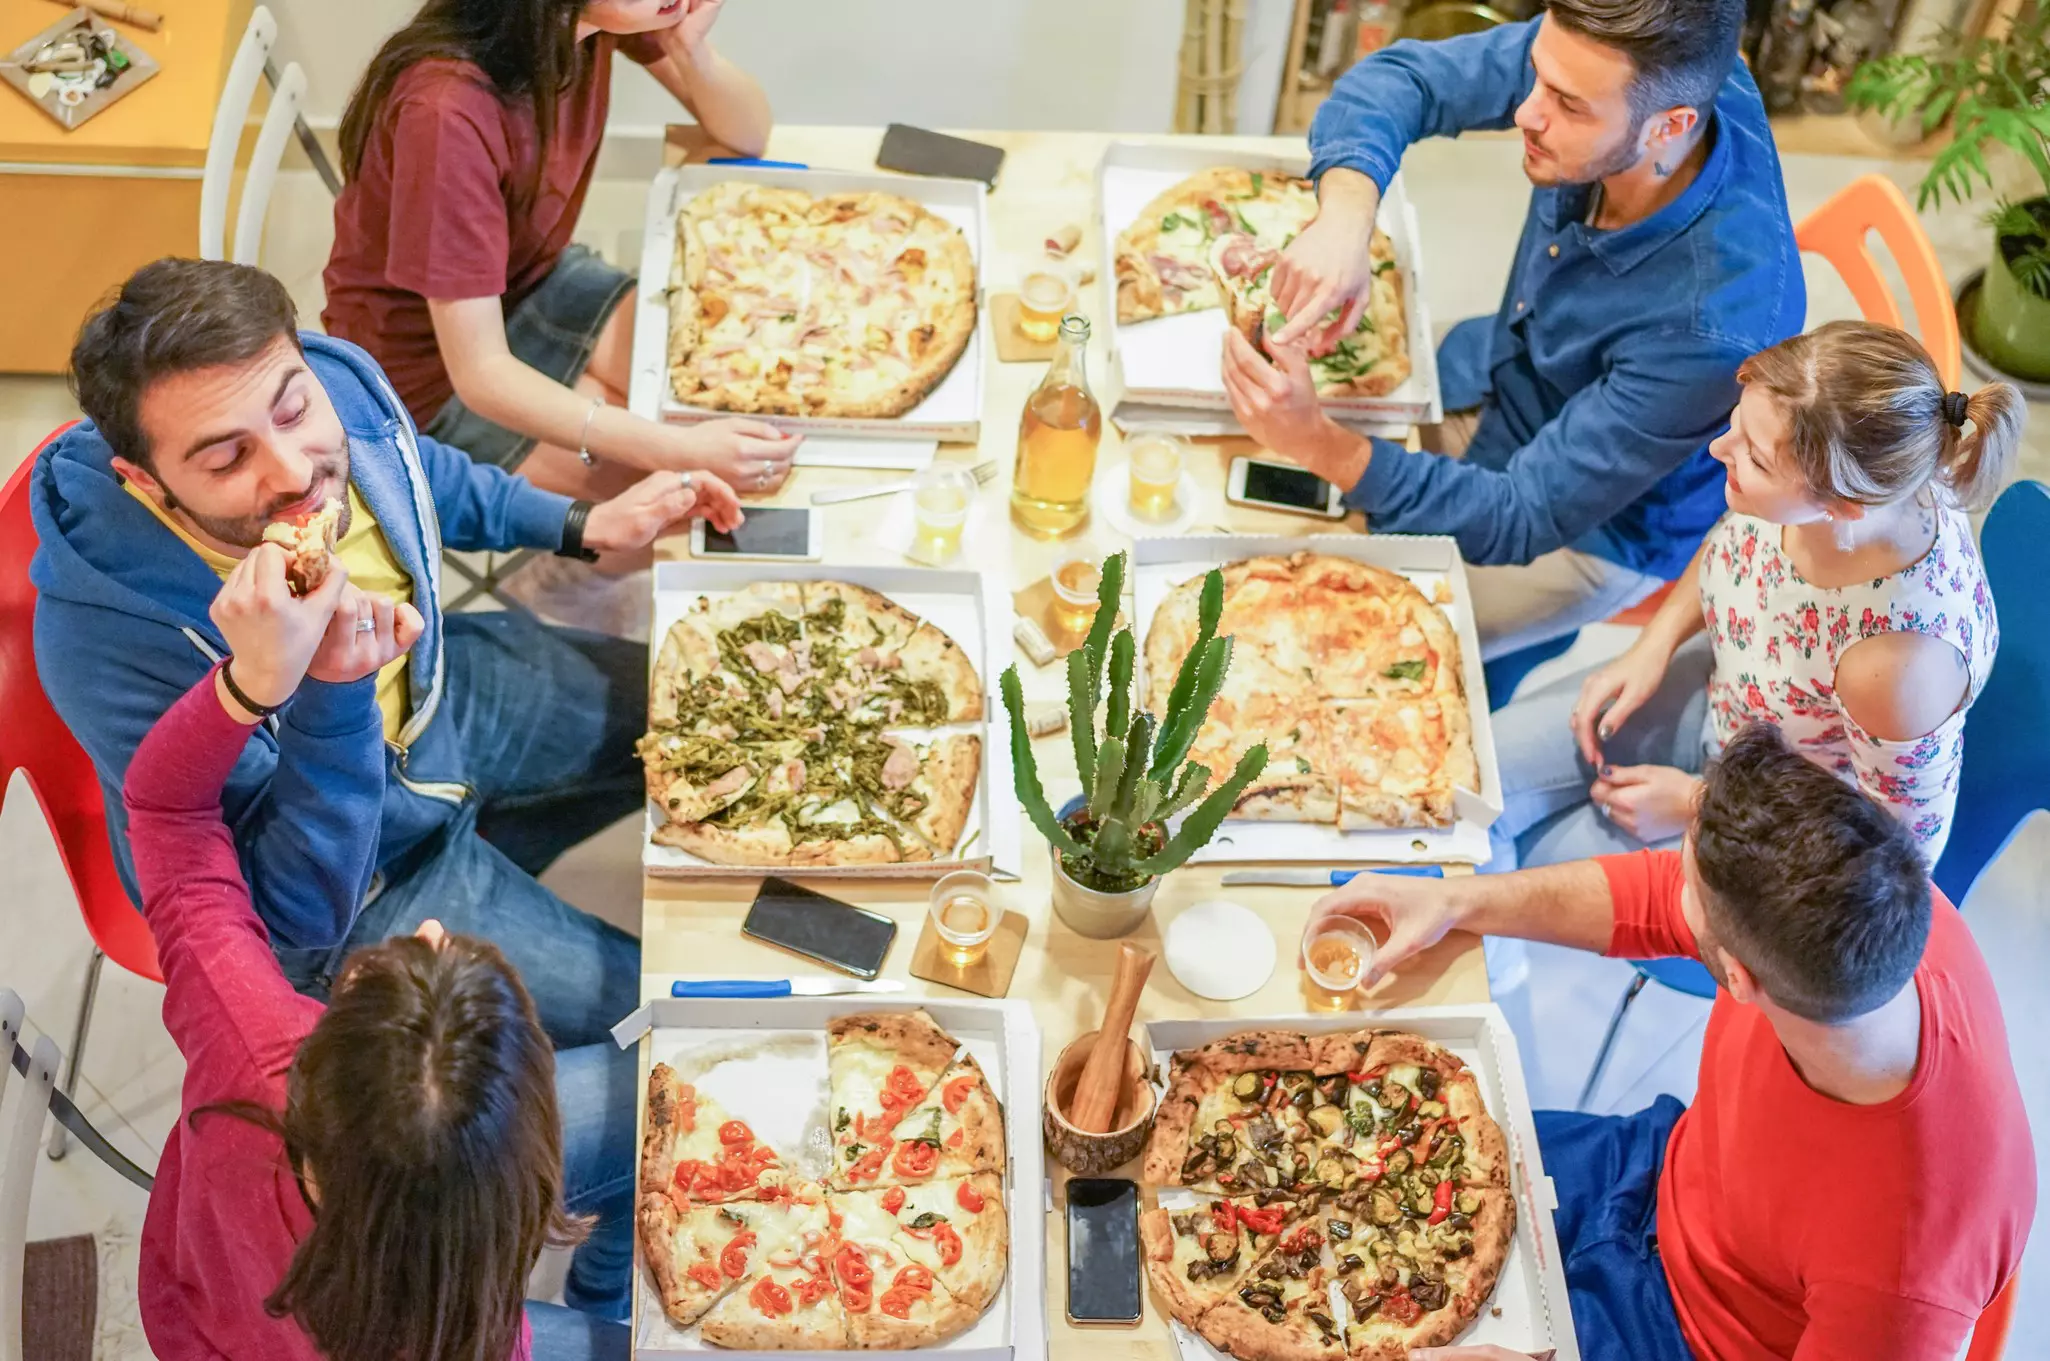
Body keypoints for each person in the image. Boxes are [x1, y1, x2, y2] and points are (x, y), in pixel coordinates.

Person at [33, 257, 739, 1049]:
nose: (297, 473)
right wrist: (315, 691)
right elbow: (288, 909)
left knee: (720, 712)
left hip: (442, 700)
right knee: (671, 1024)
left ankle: (495, 844)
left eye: (295, 410)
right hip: (352, 875)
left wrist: (581, 524)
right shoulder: (107, 644)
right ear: (146, 482)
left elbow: (406, 464)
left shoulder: (339, 380)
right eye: (228, 459)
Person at [1305, 724, 2034, 1361]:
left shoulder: (1906, 1271)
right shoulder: (1874, 899)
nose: (1671, 888)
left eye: (1690, 894)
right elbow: (1658, 899)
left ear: (1739, 979)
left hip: (1682, 1340)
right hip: (1652, 1170)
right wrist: (1459, 903)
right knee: (1333, 1177)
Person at [1221, 0, 1804, 658]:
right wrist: (1346, 221)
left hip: (1595, 528)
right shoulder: (1624, 54)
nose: (1527, 112)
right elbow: (1403, 79)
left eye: (1569, 105)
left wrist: (1319, 443)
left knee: (1357, 641)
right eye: (1535, 74)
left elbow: (1518, 514)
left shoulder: (1715, 326)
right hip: (1499, 361)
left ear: (1671, 127)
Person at [123, 612, 632, 1359]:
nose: (430, 928)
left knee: (658, 1093)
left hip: (213, 1309)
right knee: (662, 1104)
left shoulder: (246, 1036)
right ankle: (611, 1305)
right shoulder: (461, 1332)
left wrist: (253, 687)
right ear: (521, 1179)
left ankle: (610, 1298)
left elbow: (166, 811)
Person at [1490, 321, 2021, 871]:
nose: (1720, 449)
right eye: (1737, 423)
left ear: (1841, 509)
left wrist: (1698, 805)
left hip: (1774, 831)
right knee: (1477, 787)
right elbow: (1735, 543)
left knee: (1521, 868)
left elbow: (1892, 850)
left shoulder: (1895, 663)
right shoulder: (1860, 468)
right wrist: (1654, 644)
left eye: (1756, 459)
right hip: (1725, 698)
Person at [323, 0, 800, 507]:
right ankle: (560, 586)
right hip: (425, 375)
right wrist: (679, 450)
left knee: (730, 381)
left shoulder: (585, 20)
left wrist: (691, 49)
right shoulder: (446, 110)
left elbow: (747, 134)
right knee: (686, 498)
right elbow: (481, 373)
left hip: (532, 278)